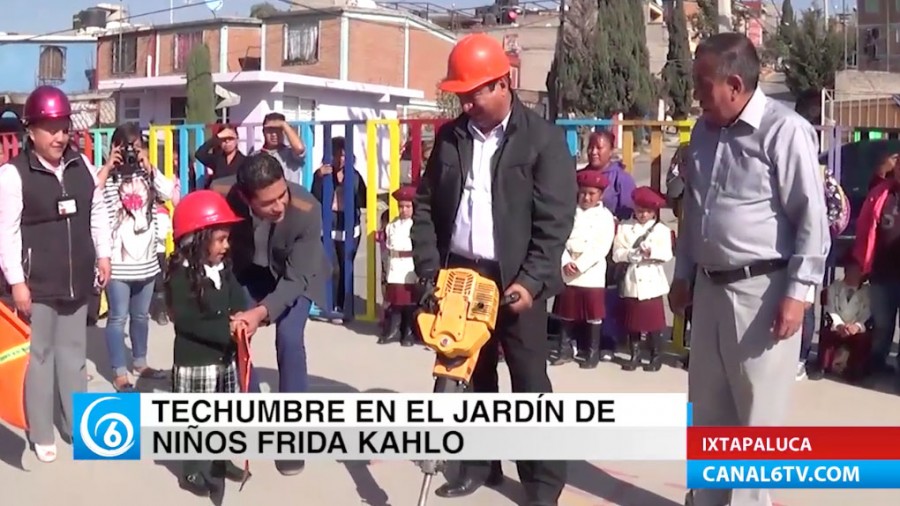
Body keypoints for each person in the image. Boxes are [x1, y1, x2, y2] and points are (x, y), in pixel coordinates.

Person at [410, 33, 574, 505]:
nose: (467, 102)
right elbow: (425, 205)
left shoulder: (542, 140)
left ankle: (542, 483)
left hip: (517, 279)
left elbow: (555, 219)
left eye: (475, 92)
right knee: (472, 375)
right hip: (461, 276)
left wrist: (532, 279)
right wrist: (429, 271)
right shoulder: (449, 137)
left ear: (504, 83)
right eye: (461, 94)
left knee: (529, 384)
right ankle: (480, 466)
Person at [671, 34, 830, 506]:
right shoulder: (702, 131)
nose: (696, 94)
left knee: (757, 423)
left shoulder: (786, 131)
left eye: (703, 84)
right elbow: (694, 210)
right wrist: (683, 273)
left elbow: (811, 220)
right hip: (709, 292)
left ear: (735, 84)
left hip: (763, 295)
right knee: (708, 414)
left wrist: (798, 294)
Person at [0, 85, 112, 462]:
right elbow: (6, 232)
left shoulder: (83, 167)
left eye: (63, 127)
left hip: (78, 279)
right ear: (30, 131)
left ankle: (78, 425)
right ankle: (42, 430)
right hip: (38, 285)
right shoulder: (14, 175)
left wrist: (104, 256)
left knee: (74, 354)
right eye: (50, 127)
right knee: (41, 356)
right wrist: (17, 280)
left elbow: (97, 213)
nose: (59, 135)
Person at [209, 152, 329, 476]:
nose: (279, 206)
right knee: (235, 333)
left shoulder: (306, 209)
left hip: (295, 276)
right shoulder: (220, 193)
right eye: (268, 202)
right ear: (247, 197)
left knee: (289, 338)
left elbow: (296, 278)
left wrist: (261, 312)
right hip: (247, 272)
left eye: (282, 195)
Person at [166, 189, 248, 496]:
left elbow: (237, 295)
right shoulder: (182, 275)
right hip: (196, 360)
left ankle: (219, 460)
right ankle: (191, 470)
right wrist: (225, 329)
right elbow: (188, 320)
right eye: (221, 239)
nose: (227, 246)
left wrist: (242, 315)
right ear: (198, 240)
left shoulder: (223, 269)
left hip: (223, 359)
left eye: (227, 239)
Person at [96, 123, 176, 392]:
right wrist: (109, 167)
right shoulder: (108, 179)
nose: (131, 154)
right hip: (118, 264)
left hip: (147, 261)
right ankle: (119, 371)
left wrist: (149, 165)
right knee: (118, 318)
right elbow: (90, 195)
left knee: (141, 316)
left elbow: (170, 194)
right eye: (125, 148)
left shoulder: (148, 176)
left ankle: (140, 362)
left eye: (136, 147)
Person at [550, 170, 615, 368]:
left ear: (600, 195)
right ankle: (565, 349)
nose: (586, 197)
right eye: (583, 193)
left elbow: (601, 247)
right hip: (568, 269)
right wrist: (566, 262)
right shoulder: (569, 213)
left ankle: (592, 352)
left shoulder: (605, 217)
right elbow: (560, 238)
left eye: (592, 194)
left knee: (593, 314)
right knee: (566, 311)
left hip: (590, 271)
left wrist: (579, 265)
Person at [612, 187, 674, 372]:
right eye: (640, 210)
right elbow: (617, 253)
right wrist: (632, 254)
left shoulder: (661, 230)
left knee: (653, 323)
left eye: (647, 211)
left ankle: (656, 356)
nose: (643, 215)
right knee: (633, 324)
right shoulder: (624, 227)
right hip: (631, 279)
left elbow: (667, 254)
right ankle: (635, 355)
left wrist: (651, 253)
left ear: (654, 212)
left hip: (651, 281)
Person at [853, 152, 900, 378]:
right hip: (883, 272)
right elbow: (873, 187)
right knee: (882, 325)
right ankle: (877, 363)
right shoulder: (883, 192)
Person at [311, 136, 368, 323]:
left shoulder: (355, 175)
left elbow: (363, 200)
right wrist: (319, 178)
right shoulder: (322, 174)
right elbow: (315, 198)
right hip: (329, 225)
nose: (340, 159)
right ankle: (332, 305)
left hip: (349, 226)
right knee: (332, 267)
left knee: (347, 267)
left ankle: (346, 306)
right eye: (336, 155)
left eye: (343, 155)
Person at [809, 256, 872, 382]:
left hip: (855, 327)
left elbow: (866, 313)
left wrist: (856, 327)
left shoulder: (867, 291)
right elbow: (830, 308)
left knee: (863, 340)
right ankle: (822, 367)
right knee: (826, 335)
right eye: (849, 271)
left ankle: (854, 371)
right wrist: (839, 325)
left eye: (856, 272)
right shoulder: (834, 287)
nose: (852, 274)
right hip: (838, 325)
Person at [379, 185, 418, 346]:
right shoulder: (392, 225)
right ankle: (393, 329)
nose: (403, 210)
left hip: (409, 266)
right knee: (395, 300)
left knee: (409, 302)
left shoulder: (415, 225)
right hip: (395, 264)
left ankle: (407, 332)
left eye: (407, 206)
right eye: (401, 206)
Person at [253, 113, 306, 186]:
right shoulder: (255, 156)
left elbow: (299, 148)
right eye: (270, 130)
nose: (274, 134)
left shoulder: (290, 153)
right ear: (263, 132)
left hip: (291, 196)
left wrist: (284, 125)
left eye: (278, 130)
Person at [194, 124, 245, 188]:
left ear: (237, 140)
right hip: (218, 196)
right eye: (223, 139)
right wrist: (217, 137)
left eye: (230, 138)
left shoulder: (244, 161)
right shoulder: (217, 159)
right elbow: (199, 154)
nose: (227, 141)